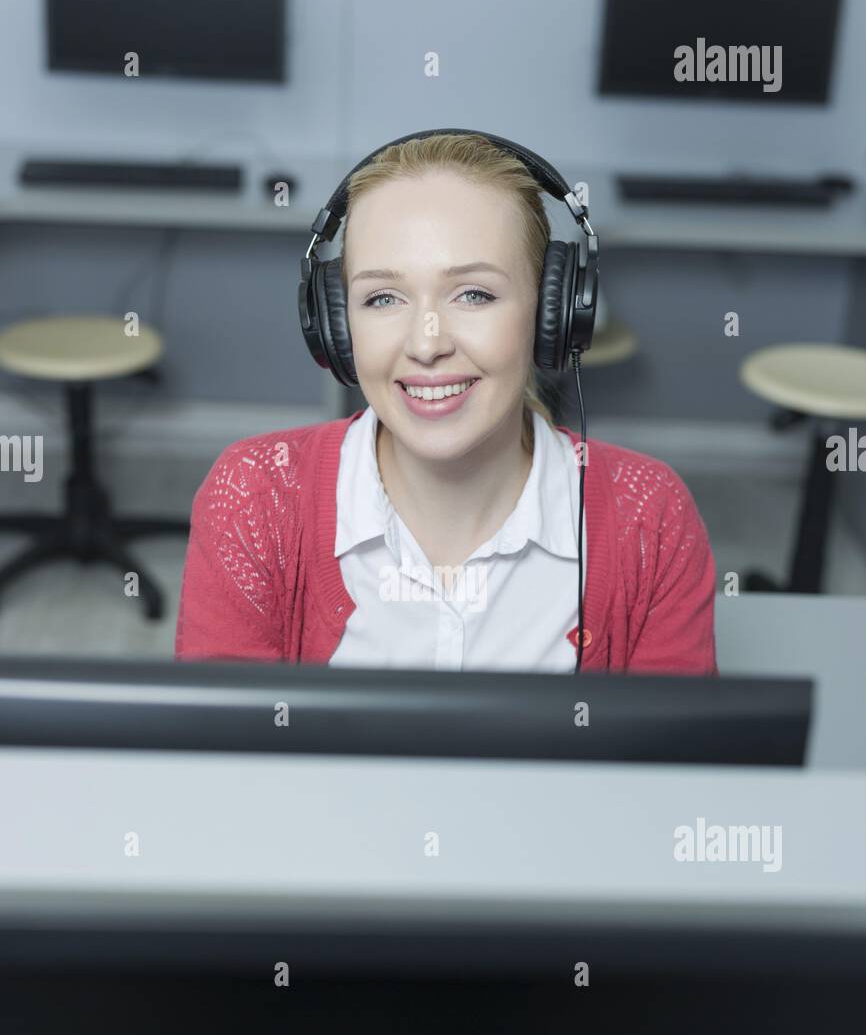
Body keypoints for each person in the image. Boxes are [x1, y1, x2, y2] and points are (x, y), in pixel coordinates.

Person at [175, 132, 717, 674]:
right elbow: (219, 753)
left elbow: (670, 757)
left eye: (473, 294)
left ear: (554, 309)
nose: (427, 344)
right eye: (382, 298)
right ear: (337, 324)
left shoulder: (652, 518)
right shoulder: (254, 497)